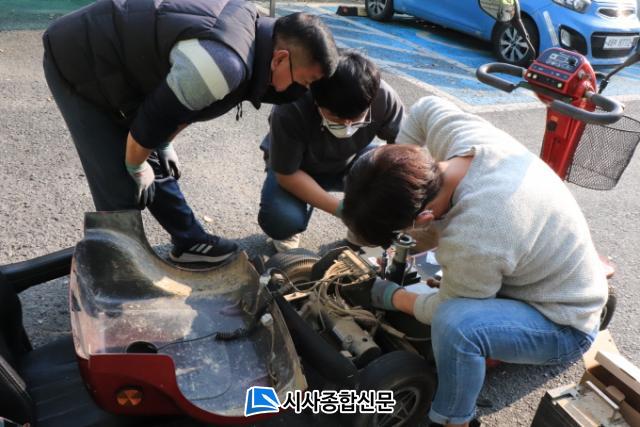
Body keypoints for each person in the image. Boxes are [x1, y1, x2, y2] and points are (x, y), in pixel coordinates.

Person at [341, 96, 607, 427]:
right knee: (442, 269)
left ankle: (454, 419)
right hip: (537, 259)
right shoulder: (459, 137)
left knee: (456, 325)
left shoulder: (479, 231)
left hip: (562, 322)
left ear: (424, 217)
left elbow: (443, 308)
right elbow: (423, 107)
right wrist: (394, 169)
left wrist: (391, 296)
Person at [42, 0, 339, 264]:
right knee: (120, 187)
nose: (303, 90)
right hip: (79, 57)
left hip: (126, 64)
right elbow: (150, 124)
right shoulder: (224, 64)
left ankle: (189, 242)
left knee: (153, 159)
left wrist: (162, 144)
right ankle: (117, 275)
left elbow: (183, 107)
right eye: (305, 81)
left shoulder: (258, 35)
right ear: (280, 59)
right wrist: (137, 164)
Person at [258, 51, 404, 252]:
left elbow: (403, 151)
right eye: (336, 118)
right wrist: (343, 210)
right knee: (281, 220)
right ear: (316, 101)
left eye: (356, 119)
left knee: (393, 176)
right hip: (295, 167)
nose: (347, 125)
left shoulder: (383, 97)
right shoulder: (291, 106)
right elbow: (287, 175)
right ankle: (293, 221)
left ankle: (359, 236)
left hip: (349, 162)